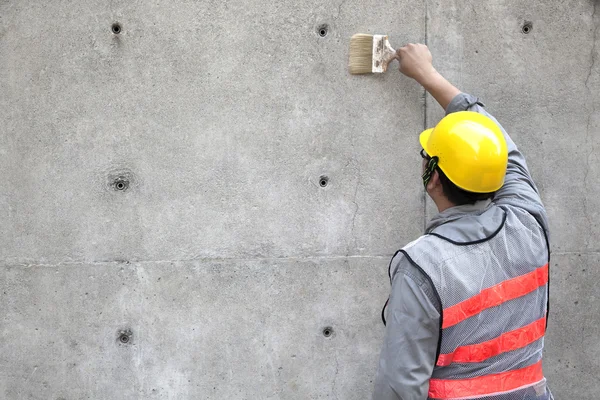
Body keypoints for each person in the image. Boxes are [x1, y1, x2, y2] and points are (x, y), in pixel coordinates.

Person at [372, 44, 553, 400]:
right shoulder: (529, 221)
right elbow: (499, 141)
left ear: (433, 177)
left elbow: (399, 387)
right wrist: (428, 74)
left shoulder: (422, 267)